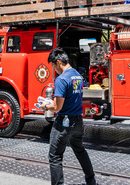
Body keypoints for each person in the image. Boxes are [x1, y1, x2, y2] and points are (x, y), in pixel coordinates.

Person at [41, 48, 96, 185]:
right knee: (79, 150)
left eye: (54, 66)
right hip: (78, 120)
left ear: (58, 62)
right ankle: (91, 181)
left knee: (55, 156)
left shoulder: (61, 79)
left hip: (64, 121)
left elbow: (57, 107)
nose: (54, 69)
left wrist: (45, 106)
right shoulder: (78, 75)